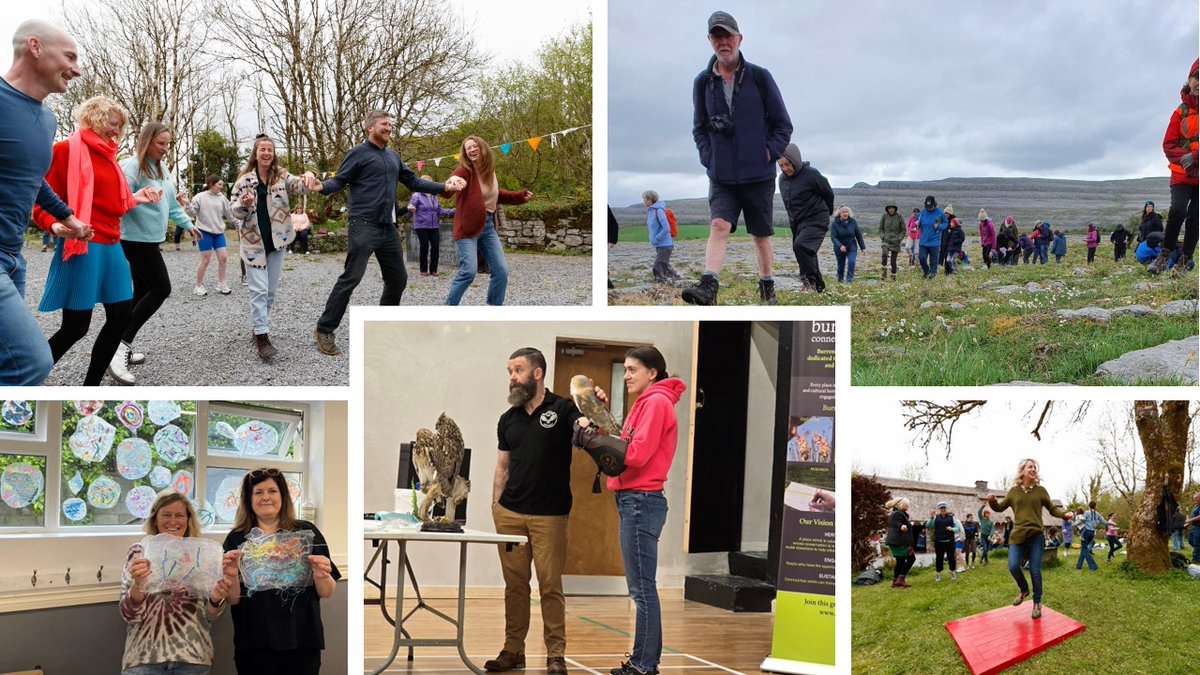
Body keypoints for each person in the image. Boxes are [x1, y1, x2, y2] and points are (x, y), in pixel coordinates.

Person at [305, 110, 463, 355]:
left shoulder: (393, 156)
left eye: (390, 124)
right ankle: (324, 328)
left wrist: (444, 187)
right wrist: (321, 186)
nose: (389, 128)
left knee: (398, 279)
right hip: (364, 225)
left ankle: (381, 328)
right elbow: (340, 180)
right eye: (384, 124)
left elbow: (414, 182)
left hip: (388, 227)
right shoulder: (357, 153)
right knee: (351, 278)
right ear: (370, 127)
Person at [31, 96, 160, 386]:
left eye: (119, 126)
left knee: (121, 316)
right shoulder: (65, 151)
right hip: (83, 244)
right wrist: (57, 226)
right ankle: (26, 376)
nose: (116, 131)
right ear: (93, 119)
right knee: (76, 327)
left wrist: (138, 197)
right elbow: (39, 201)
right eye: (112, 124)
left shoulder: (110, 157)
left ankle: (91, 386)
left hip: (112, 244)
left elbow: (114, 203)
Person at [573, 346, 686, 675]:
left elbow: (633, 455)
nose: (627, 376)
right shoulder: (650, 403)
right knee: (642, 588)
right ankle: (641, 662)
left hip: (641, 501)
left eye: (633, 369)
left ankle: (644, 666)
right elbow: (627, 444)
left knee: (642, 590)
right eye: (624, 370)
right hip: (637, 500)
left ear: (653, 373)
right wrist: (601, 419)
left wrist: (589, 439)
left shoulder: (655, 403)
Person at [0, 19, 94, 386]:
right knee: (31, 364)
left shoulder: (48, 119)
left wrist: (68, 219)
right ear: (35, 47)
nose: (77, 69)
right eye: (69, 56)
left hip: (13, 259)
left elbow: (32, 178)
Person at [682, 10, 792, 306]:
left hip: (759, 175)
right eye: (717, 37)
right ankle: (709, 286)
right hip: (722, 175)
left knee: (760, 236)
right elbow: (699, 128)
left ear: (739, 38)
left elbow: (783, 125)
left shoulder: (760, 77)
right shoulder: (702, 83)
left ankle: (767, 285)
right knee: (719, 225)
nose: (723, 42)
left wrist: (767, 153)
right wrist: (709, 157)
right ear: (710, 40)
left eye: (728, 36)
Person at [487, 347, 582, 674]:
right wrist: (496, 505)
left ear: (537, 373)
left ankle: (556, 655)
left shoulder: (563, 409)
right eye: (509, 371)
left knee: (549, 584)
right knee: (515, 587)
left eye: (517, 370)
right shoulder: (508, 419)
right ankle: (513, 650)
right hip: (510, 514)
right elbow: (502, 467)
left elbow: (584, 425)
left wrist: (591, 414)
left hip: (550, 517)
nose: (512, 377)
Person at [221, 468, 339, 674]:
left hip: (301, 640)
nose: (266, 497)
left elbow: (327, 592)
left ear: (283, 496)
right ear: (248, 499)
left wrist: (322, 576)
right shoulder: (237, 539)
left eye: (272, 491)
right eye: (258, 492)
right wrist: (230, 575)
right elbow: (233, 599)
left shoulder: (306, 532)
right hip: (254, 644)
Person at [121, 493, 239, 675]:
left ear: (188, 520)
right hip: (144, 658)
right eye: (166, 514)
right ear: (155, 519)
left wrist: (216, 599)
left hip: (193, 658)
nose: (173, 521)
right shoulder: (139, 552)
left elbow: (211, 617)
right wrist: (138, 585)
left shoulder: (203, 555)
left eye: (180, 515)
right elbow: (128, 615)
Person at [116, 122, 198, 383]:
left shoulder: (163, 169)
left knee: (140, 294)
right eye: (160, 143)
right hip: (134, 238)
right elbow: (117, 198)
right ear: (147, 141)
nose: (165, 149)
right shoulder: (131, 167)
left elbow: (171, 204)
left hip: (151, 239)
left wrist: (188, 224)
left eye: (167, 144)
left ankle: (119, 345)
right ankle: (118, 348)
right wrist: (135, 197)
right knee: (161, 289)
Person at [229, 135, 309, 360]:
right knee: (258, 290)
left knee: (270, 292)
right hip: (253, 243)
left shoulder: (281, 176)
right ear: (255, 153)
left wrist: (309, 177)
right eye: (262, 149)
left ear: (273, 154)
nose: (266, 153)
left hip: (278, 241)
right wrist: (244, 205)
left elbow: (299, 186)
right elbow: (233, 212)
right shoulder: (244, 181)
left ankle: (258, 327)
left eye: (270, 150)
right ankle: (262, 337)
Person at [439, 136, 532, 305]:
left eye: (475, 146)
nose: (472, 150)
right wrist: (451, 183)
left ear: (483, 148)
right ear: (465, 153)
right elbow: (448, 187)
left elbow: (496, 194)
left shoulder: (489, 171)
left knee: (501, 271)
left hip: (488, 226)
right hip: (467, 227)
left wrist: (519, 196)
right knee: (468, 271)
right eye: (468, 148)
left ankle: (493, 308)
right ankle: (449, 307)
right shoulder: (463, 171)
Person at [983, 459, 1067, 619]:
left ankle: (1037, 602)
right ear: (1022, 471)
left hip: (1036, 536)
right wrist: (992, 501)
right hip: (1018, 536)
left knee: (1035, 570)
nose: (1033, 469)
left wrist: (1064, 515)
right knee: (1014, 566)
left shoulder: (1041, 491)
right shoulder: (1014, 491)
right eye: (1030, 467)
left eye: (1035, 467)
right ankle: (1024, 590)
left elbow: (1052, 508)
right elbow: (1000, 507)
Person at [1149, 59, 1198, 274]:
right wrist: (1186, 156)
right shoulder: (1180, 112)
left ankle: (1184, 261)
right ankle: (1164, 255)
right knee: (1177, 211)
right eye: (1197, 77)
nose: (1199, 83)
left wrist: (1196, 156)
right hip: (1181, 176)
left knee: (1195, 218)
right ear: (1189, 80)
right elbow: (1168, 145)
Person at [777, 143, 834, 292]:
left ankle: (809, 283)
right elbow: (789, 207)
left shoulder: (811, 174)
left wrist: (828, 212)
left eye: (787, 164)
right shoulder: (782, 180)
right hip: (798, 223)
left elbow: (827, 193)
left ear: (795, 160)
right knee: (804, 250)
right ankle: (818, 285)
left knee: (802, 246)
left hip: (817, 218)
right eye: (781, 165)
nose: (784, 168)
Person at [185, 175, 237, 296]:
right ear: (212, 184)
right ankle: (198, 286)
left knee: (223, 258)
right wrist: (187, 203)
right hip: (203, 232)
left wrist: (239, 225)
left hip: (218, 233)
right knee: (206, 260)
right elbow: (191, 212)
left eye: (222, 184)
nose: (222, 186)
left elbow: (230, 215)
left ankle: (221, 284)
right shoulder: (200, 197)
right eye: (219, 184)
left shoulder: (222, 198)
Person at [406, 175, 454, 276]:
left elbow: (440, 211)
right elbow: (410, 210)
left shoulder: (433, 197)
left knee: (435, 247)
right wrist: (410, 209)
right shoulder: (416, 195)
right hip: (421, 226)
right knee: (424, 247)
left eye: (430, 183)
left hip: (434, 226)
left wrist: (455, 210)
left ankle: (433, 270)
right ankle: (423, 270)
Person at [640, 190, 681, 285]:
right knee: (664, 264)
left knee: (658, 265)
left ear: (649, 199)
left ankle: (660, 283)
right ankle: (677, 280)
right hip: (660, 244)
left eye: (644, 199)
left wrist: (657, 238)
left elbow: (666, 228)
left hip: (665, 244)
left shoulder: (659, 211)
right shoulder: (651, 211)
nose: (643, 201)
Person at [1075, 500, 1115, 572]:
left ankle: (1093, 566)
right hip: (1092, 533)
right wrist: (1112, 524)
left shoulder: (1086, 513)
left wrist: (1074, 524)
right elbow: (1104, 522)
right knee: (1083, 549)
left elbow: (1080, 521)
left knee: (1084, 549)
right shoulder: (1097, 514)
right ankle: (1078, 566)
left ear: (1089, 506)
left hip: (1086, 532)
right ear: (1095, 506)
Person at [830, 206, 866, 283]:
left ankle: (849, 280)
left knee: (851, 262)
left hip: (851, 246)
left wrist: (863, 248)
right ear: (839, 213)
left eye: (847, 212)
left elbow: (858, 235)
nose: (845, 213)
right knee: (841, 265)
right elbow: (833, 237)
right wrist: (840, 246)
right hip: (839, 247)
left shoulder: (853, 222)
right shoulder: (834, 223)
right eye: (843, 212)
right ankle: (840, 280)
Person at [884, 498, 915, 588]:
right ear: (902, 505)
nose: (908, 506)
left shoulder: (896, 513)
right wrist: (902, 526)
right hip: (901, 542)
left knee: (900, 562)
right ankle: (900, 579)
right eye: (907, 505)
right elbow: (896, 522)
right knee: (911, 558)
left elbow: (894, 522)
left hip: (896, 542)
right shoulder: (898, 514)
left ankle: (895, 581)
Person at [915, 196, 946, 279]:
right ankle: (926, 271)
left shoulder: (940, 213)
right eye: (927, 206)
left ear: (934, 205)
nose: (929, 208)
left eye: (931, 206)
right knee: (922, 258)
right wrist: (917, 222)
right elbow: (917, 218)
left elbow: (946, 223)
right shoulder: (922, 212)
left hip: (935, 241)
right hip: (923, 241)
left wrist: (939, 226)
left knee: (934, 260)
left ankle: (932, 274)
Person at [928, 502, 958, 582]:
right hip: (939, 541)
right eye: (941, 508)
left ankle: (953, 573)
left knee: (951, 557)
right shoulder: (935, 517)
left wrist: (952, 529)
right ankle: (938, 575)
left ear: (946, 508)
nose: (943, 509)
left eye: (944, 508)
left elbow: (957, 528)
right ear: (939, 509)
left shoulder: (951, 517)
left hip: (950, 540)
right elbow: (929, 526)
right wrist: (931, 517)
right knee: (939, 558)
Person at [879, 204, 905, 280]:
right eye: (889, 208)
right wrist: (882, 236)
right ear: (887, 209)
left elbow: (903, 230)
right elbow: (880, 228)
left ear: (895, 209)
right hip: (886, 241)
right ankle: (884, 274)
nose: (891, 210)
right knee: (885, 254)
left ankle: (893, 276)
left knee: (893, 261)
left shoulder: (899, 217)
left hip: (895, 242)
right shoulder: (884, 216)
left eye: (892, 208)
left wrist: (899, 238)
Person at [1185, 491, 1200, 565]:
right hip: (1193, 527)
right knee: (1191, 541)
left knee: (1197, 543)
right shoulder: (1195, 506)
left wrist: (1189, 520)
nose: (1194, 499)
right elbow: (1193, 517)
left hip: (1198, 527)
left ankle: (1196, 559)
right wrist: (1188, 523)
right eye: (1194, 497)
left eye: (1196, 497)